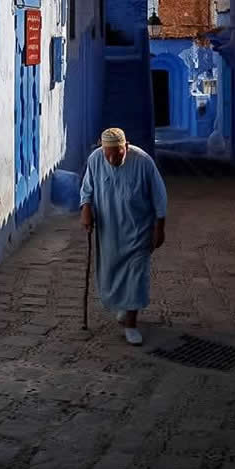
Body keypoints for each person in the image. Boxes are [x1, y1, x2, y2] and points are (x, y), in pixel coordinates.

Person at [80, 128, 167, 346]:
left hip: (138, 229)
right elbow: (87, 189)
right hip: (109, 230)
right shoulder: (95, 159)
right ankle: (123, 305)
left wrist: (160, 227)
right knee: (112, 271)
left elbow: (159, 195)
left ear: (126, 146)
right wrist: (86, 210)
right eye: (107, 154)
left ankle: (131, 323)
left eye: (117, 154)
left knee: (136, 275)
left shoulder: (143, 161)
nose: (111, 159)